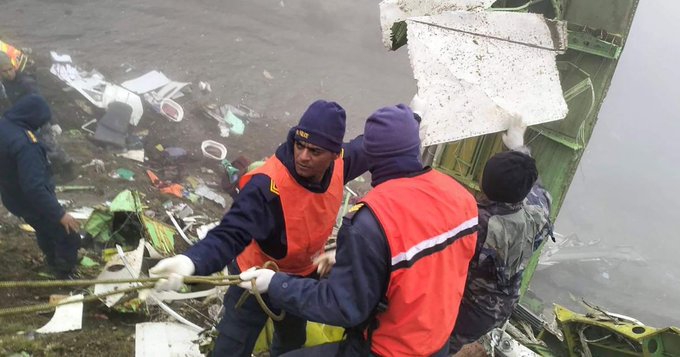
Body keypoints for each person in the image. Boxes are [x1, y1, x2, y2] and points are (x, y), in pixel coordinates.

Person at [237, 104, 479, 356]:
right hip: (436, 343)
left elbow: (343, 307)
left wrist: (276, 284)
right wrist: (353, 255)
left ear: (371, 157)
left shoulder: (373, 218)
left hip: (388, 348)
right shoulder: (461, 198)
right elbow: (422, 259)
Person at [150, 99, 369, 357]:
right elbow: (231, 232)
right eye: (299, 145)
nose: (303, 156)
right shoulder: (268, 185)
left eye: (314, 151)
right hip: (253, 276)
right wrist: (191, 261)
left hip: (300, 278)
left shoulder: (343, 162)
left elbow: (375, 144)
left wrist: (414, 117)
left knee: (292, 340)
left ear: (334, 154)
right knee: (232, 347)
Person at [448, 117, 553, 353]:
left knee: (435, 345)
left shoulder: (477, 224)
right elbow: (532, 182)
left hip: (469, 308)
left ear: (483, 186)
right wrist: (519, 147)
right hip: (501, 307)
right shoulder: (539, 208)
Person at [0, 95, 81, 278]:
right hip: (29, 199)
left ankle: (52, 260)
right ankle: (63, 274)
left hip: (12, 196)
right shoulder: (28, 145)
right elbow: (34, 188)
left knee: (45, 228)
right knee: (68, 234)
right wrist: (60, 214)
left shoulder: (4, 125)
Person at [0, 51, 73, 174]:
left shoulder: (26, 83)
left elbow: (41, 102)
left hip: (37, 120)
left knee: (51, 146)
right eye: (4, 71)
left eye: (10, 69)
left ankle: (68, 168)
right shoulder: (3, 86)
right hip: (21, 122)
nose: (9, 73)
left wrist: (53, 121)